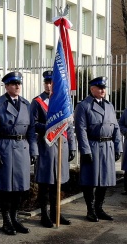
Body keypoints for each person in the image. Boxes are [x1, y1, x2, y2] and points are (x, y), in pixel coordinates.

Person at [0, 72, 37, 235]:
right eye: (13, 83)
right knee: (6, 188)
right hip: (5, 148)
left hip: (22, 148)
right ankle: (6, 221)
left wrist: (33, 150)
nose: (17, 86)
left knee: (20, 188)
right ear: (6, 86)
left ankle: (15, 219)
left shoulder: (26, 104)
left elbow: (31, 130)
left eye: (19, 84)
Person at [31, 70, 76, 228]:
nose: (49, 85)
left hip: (62, 146)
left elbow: (69, 125)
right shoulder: (37, 102)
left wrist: (72, 147)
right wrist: (49, 128)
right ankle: (44, 215)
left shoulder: (63, 101)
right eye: (47, 82)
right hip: (46, 146)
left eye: (52, 82)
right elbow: (33, 123)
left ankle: (56, 213)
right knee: (45, 183)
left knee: (58, 182)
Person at [74, 76, 122, 222]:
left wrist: (118, 147)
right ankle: (90, 210)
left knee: (105, 180)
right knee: (90, 180)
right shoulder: (84, 106)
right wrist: (85, 150)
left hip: (107, 146)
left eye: (104, 88)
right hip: (93, 145)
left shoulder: (109, 105)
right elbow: (80, 129)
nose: (102, 90)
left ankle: (99, 208)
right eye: (99, 87)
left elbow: (116, 127)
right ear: (92, 89)